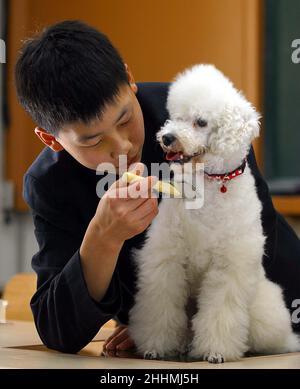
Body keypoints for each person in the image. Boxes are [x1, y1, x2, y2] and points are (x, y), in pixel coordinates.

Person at [16, 20, 300, 354]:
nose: (122, 146)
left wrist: (177, 326)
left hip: (275, 302)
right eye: (93, 140)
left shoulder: (196, 116)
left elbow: (248, 238)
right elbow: (58, 331)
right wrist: (104, 237)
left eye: (124, 120)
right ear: (52, 140)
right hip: (166, 349)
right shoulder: (50, 184)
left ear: (130, 78)